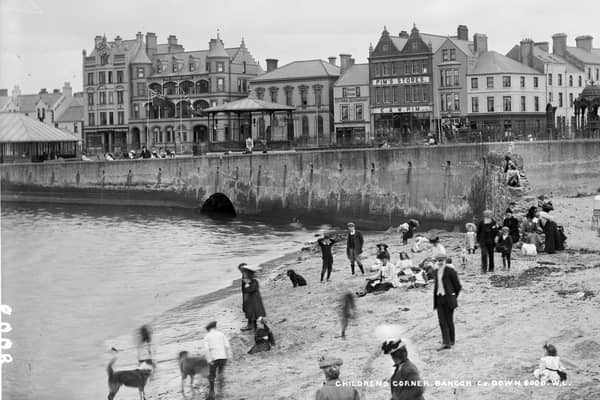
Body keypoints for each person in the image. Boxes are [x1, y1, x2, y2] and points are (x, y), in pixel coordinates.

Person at [433, 254, 462, 350]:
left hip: (449, 298)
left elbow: (458, 286)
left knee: (449, 320)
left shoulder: (450, 271)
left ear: (445, 260)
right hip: (439, 298)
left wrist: (453, 296)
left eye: (442, 260)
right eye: (438, 260)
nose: (440, 262)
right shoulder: (436, 271)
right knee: (442, 321)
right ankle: (446, 341)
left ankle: (450, 340)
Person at [204, 321, 232, 400]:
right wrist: (229, 356)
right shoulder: (221, 334)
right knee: (220, 372)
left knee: (212, 375)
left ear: (209, 329)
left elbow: (207, 349)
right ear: (215, 328)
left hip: (214, 358)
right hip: (223, 357)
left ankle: (212, 392)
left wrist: (209, 360)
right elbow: (227, 345)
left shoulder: (207, 336)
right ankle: (221, 390)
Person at [240, 264, 266, 331]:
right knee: (252, 314)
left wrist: (247, 285)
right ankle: (254, 327)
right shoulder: (250, 279)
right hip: (250, 300)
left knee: (256, 314)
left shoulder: (253, 281)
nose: (244, 278)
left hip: (253, 300)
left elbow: (250, 289)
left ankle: (260, 327)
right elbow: (246, 288)